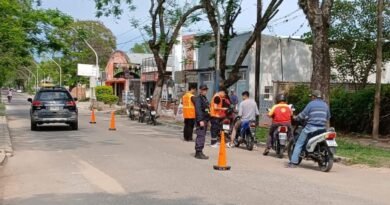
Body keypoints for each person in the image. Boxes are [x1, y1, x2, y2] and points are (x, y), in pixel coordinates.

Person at [286, 90, 331, 168]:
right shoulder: (325, 105)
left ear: (314, 97)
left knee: (299, 143)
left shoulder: (311, 104)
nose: (311, 98)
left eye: (312, 97)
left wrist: (296, 118)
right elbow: (328, 117)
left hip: (311, 128)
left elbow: (302, 115)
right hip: (322, 129)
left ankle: (293, 163)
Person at [194, 85, 210, 159]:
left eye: (206, 90)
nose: (204, 91)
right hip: (201, 120)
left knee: (202, 135)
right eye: (203, 90)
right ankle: (198, 152)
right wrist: (200, 120)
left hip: (205, 119)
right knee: (201, 135)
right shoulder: (198, 99)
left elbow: (207, 109)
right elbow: (198, 110)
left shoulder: (204, 98)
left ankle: (200, 151)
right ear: (200, 90)